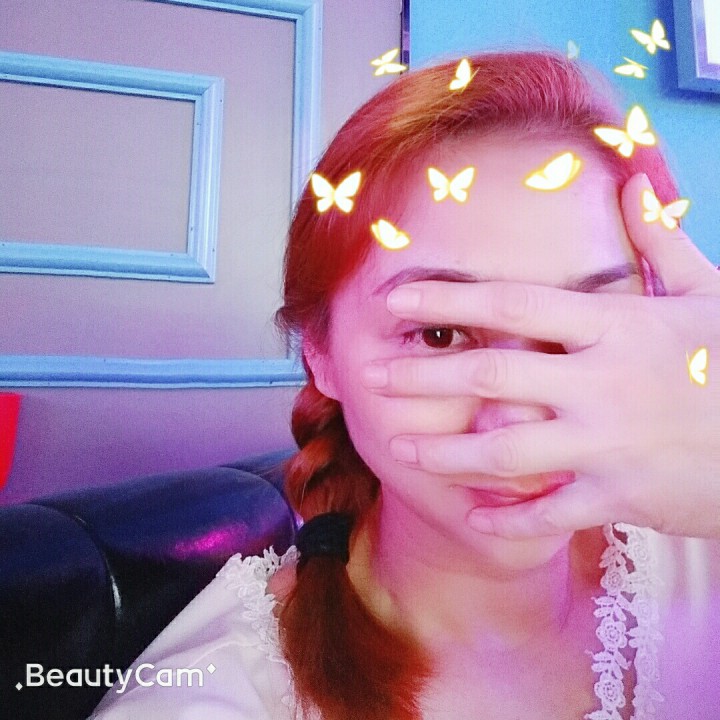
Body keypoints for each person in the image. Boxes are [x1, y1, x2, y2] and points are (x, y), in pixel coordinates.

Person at [90, 51, 720, 720]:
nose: (518, 426)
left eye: (583, 323)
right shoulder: (207, 699)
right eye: (440, 334)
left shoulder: (696, 527)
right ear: (320, 351)